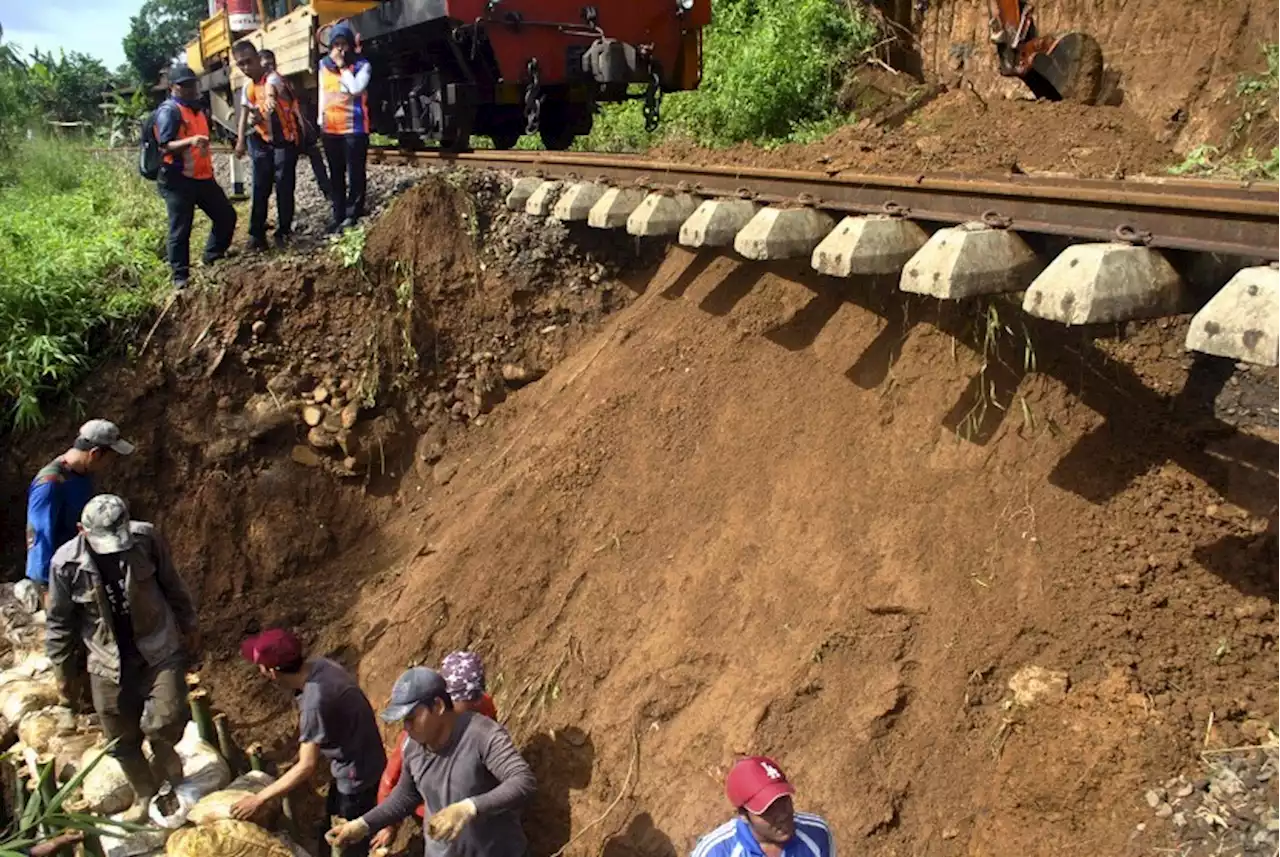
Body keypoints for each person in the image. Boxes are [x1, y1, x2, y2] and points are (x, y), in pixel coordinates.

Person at [45, 495, 201, 824]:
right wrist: (64, 674)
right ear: (81, 531)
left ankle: (165, 765)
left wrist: (189, 623)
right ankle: (146, 795)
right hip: (106, 661)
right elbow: (60, 623)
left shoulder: (146, 540)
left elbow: (171, 582)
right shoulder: (65, 564)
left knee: (166, 719)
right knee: (120, 739)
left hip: (157, 646)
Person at [327, 667, 535, 857]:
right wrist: (363, 824)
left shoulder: (481, 734)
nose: (406, 727)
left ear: (438, 706)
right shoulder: (412, 746)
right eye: (403, 720)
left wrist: (469, 808)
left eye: (411, 718)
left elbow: (522, 781)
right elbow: (406, 796)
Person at [233, 629, 387, 857]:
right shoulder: (320, 666)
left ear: (272, 672)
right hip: (359, 757)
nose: (259, 671)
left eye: (261, 667)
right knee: (332, 825)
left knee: (349, 839)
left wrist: (259, 798)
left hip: (357, 774)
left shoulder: (316, 701)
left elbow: (306, 766)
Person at [372, 651, 500, 848]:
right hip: (433, 808)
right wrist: (388, 826)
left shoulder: (482, 706)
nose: (471, 712)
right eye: (463, 706)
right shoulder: (417, 736)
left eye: (475, 701)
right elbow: (391, 780)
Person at [25, 420, 136, 599]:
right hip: (59, 579)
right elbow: (39, 539)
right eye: (110, 458)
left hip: (82, 567)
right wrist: (48, 591)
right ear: (95, 454)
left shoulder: (82, 475)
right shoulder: (50, 485)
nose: (110, 464)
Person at [154, 64, 237, 288]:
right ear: (173, 88)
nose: (190, 89)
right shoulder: (170, 111)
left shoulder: (197, 109)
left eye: (193, 84)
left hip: (202, 177)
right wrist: (189, 142)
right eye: (184, 86)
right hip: (178, 179)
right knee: (181, 228)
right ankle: (180, 277)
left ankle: (212, 255)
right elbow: (164, 146)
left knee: (226, 216)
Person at [692, 757, 834, 857]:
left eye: (783, 801)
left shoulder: (816, 833)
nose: (782, 815)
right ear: (743, 815)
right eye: (768, 810)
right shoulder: (714, 852)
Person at [234, 40, 301, 250]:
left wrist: (269, 103)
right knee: (260, 187)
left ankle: (284, 231)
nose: (246, 67)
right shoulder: (248, 87)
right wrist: (240, 141)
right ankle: (257, 235)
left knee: (283, 185)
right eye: (241, 64)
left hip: (284, 141)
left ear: (257, 59)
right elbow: (244, 114)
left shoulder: (272, 78)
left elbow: (271, 92)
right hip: (262, 142)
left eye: (249, 61)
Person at [317, 22, 371, 232]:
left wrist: (342, 67)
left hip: (354, 130)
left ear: (351, 45)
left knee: (355, 173)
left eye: (343, 44)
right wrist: (320, 120)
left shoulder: (362, 66)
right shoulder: (323, 66)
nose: (339, 49)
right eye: (335, 45)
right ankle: (338, 214)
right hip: (331, 130)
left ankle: (353, 213)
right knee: (336, 174)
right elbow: (323, 93)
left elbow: (356, 89)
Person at [259, 48, 332, 201]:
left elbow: (276, 94)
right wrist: (270, 98)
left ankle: (328, 191)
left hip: (293, 131)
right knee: (284, 177)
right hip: (284, 136)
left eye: (272, 63)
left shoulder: (275, 79)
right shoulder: (269, 82)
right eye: (266, 65)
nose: (270, 67)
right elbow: (269, 92)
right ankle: (327, 191)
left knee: (311, 157)